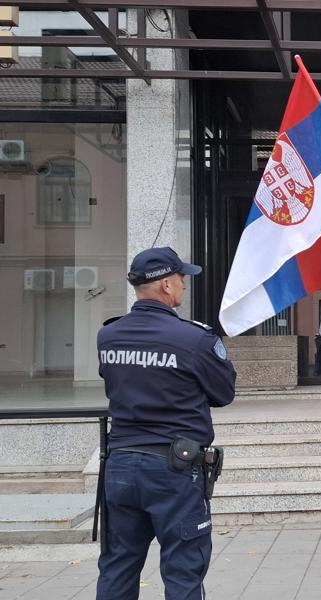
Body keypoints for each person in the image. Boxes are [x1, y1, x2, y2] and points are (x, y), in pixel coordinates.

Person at [95, 247, 236, 600]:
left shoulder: (109, 336)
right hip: (176, 469)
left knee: (117, 567)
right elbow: (223, 393)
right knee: (183, 571)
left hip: (121, 465)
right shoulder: (194, 339)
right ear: (166, 286)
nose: (185, 286)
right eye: (182, 279)